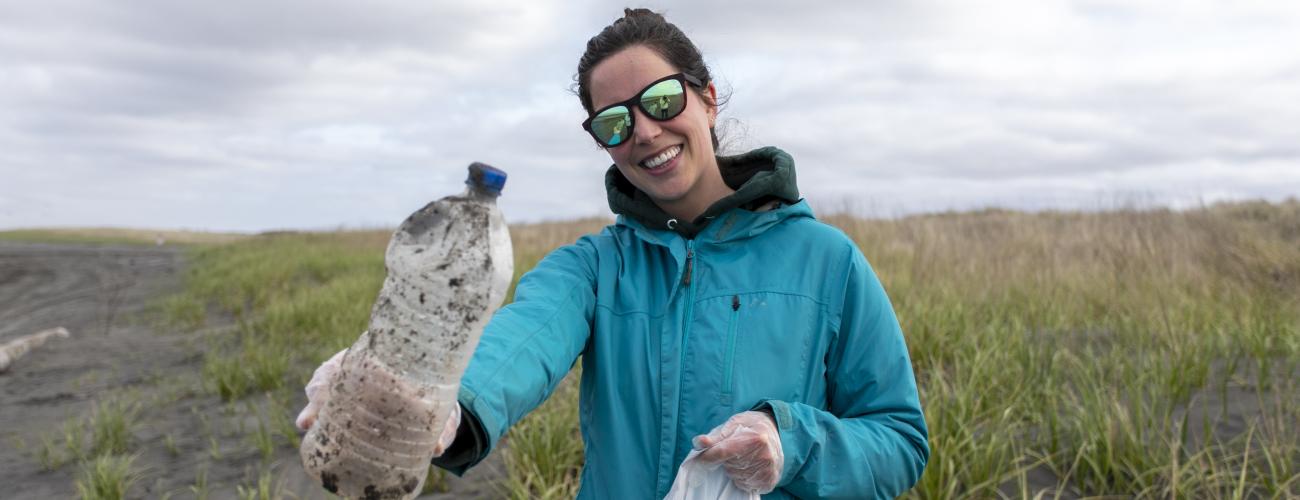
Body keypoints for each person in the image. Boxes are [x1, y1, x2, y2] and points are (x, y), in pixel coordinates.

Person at [298, 8, 929, 499]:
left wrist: (791, 442)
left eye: (660, 101)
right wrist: (435, 404)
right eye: (615, 123)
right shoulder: (597, 269)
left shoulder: (828, 261)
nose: (645, 132)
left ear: (707, 98)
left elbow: (899, 442)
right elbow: (518, 344)